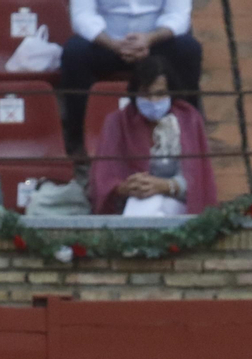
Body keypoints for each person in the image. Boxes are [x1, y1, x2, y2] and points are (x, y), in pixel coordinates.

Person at [59, 0, 201, 150]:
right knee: (74, 53)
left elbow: (178, 15)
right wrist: (113, 44)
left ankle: (188, 131)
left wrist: (149, 39)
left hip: (155, 42)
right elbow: (82, 16)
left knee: (189, 49)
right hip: (106, 42)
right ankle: (79, 139)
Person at [89, 56, 215, 216]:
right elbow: (104, 177)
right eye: (146, 94)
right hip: (133, 200)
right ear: (135, 93)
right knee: (145, 206)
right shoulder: (117, 122)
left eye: (160, 94)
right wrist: (126, 187)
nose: (153, 100)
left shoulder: (189, 120)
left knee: (153, 208)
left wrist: (163, 186)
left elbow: (198, 177)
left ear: (171, 93)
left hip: (179, 201)